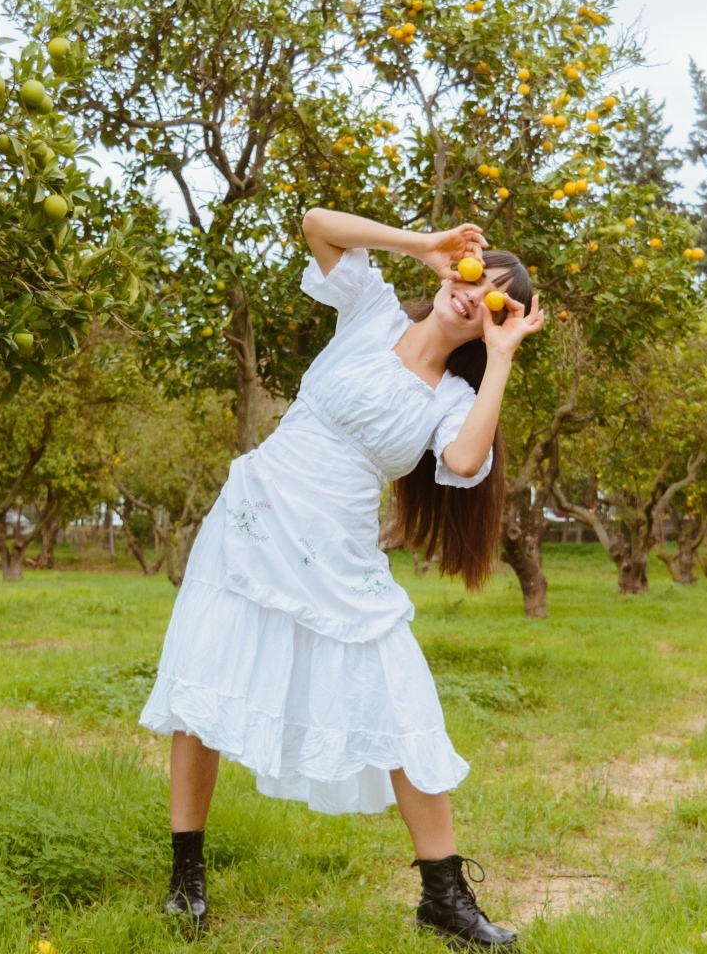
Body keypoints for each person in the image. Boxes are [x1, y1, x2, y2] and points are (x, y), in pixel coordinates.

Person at [139, 208, 544, 950]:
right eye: (478, 274)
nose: (478, 291)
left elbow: (461, 464)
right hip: (256, 520)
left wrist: (504, 355)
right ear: (456, 271)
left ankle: (444, 898)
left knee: (402, 701)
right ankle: (184, 882)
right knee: (206, 689)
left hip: (340, 552)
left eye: (499, 297)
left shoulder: (453, 397)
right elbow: (316, 222)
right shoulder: (371, 309)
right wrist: (423, 244)